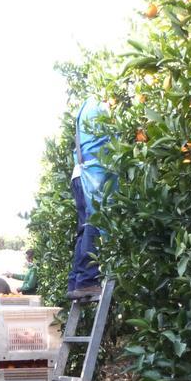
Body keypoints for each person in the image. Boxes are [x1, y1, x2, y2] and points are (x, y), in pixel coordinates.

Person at [67, 96, 117, 300]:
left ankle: (76, 282)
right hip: (92, 175)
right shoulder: (101, 105)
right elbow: (109, 143)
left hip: (79, 174)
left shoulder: (86, 105)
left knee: (84, 228)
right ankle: (87, 281)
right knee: (95, 224)